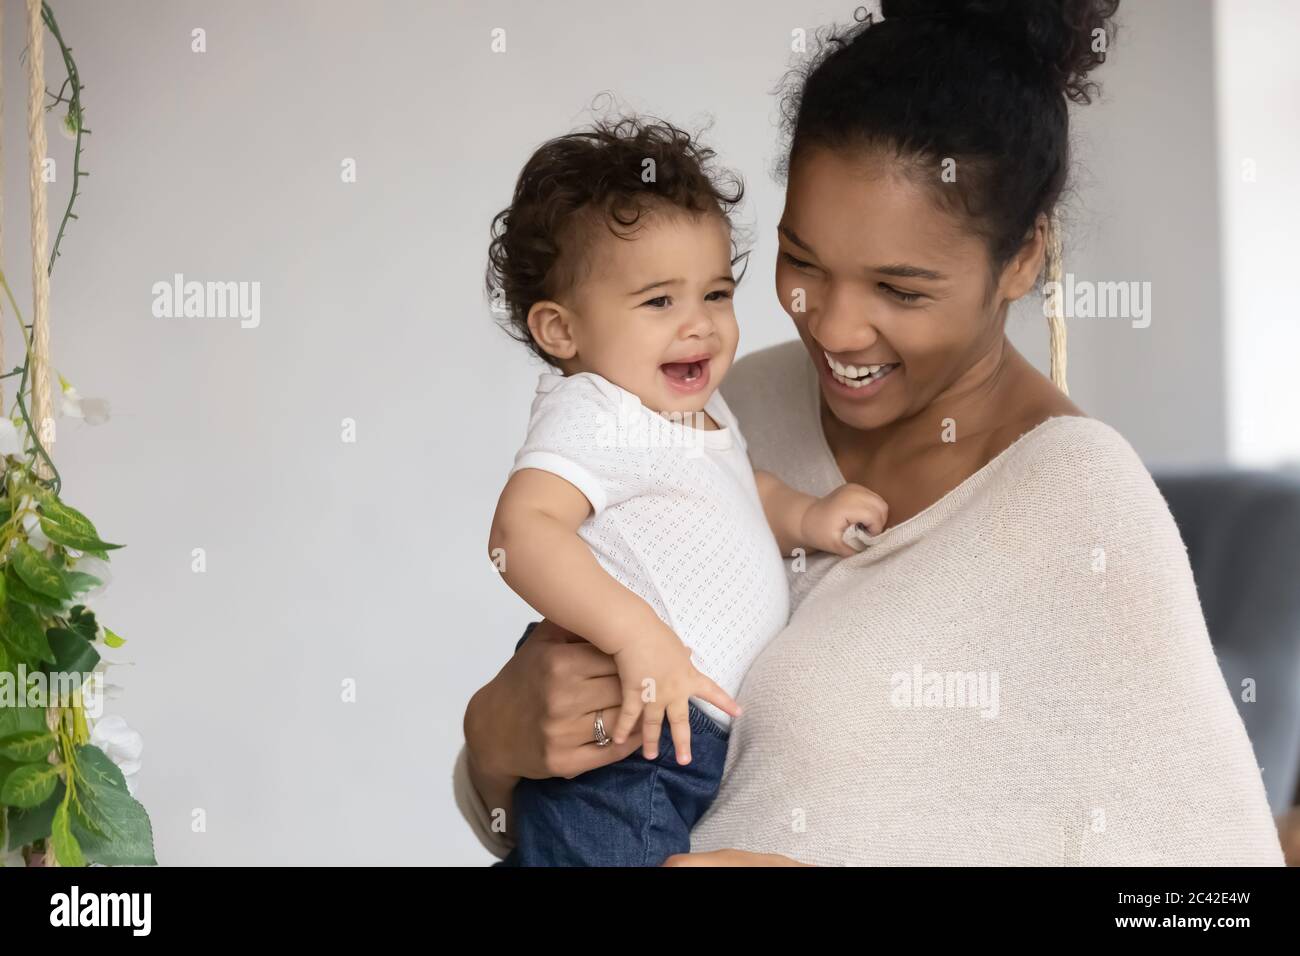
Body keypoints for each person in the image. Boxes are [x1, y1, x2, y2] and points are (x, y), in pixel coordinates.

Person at [454, 0, 1285, 866]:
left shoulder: (1079, 502)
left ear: (1024, 259)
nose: (836, 328)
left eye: (902, 289)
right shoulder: (713, 406)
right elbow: (549, 795)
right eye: (802, 263)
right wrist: (493, 747)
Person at [483, 118, 887, 865]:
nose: (698, 324)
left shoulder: (698, 409)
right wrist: (638, 635)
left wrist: (809, 515)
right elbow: (522, 531)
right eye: (658, 302)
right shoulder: (596, 409)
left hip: (687, 740)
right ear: (561, 331)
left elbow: (741, 493)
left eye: (715, 292)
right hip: (626, 734)